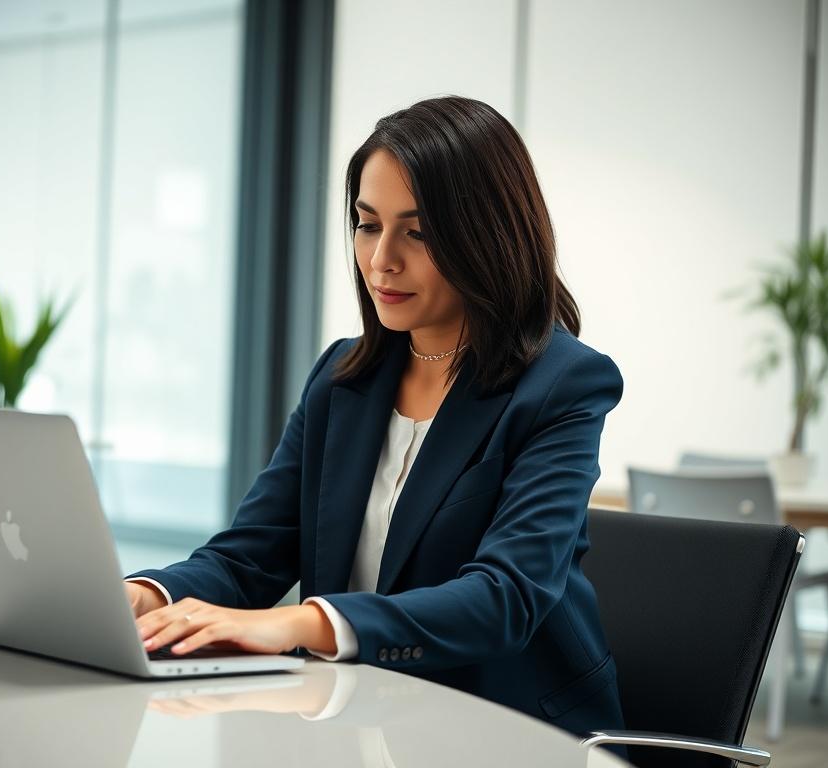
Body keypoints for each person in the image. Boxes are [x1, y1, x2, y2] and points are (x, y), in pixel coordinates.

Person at [124, 95, 627, 745]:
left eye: (416, 233)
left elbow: (506, 598)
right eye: (367, 225)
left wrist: (303, 623)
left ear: (487, 235)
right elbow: (249, 559)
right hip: (353, 723)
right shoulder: (343, 379)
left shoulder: (562, 384)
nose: (381, 259)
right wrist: (147, 598)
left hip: (512, 736)